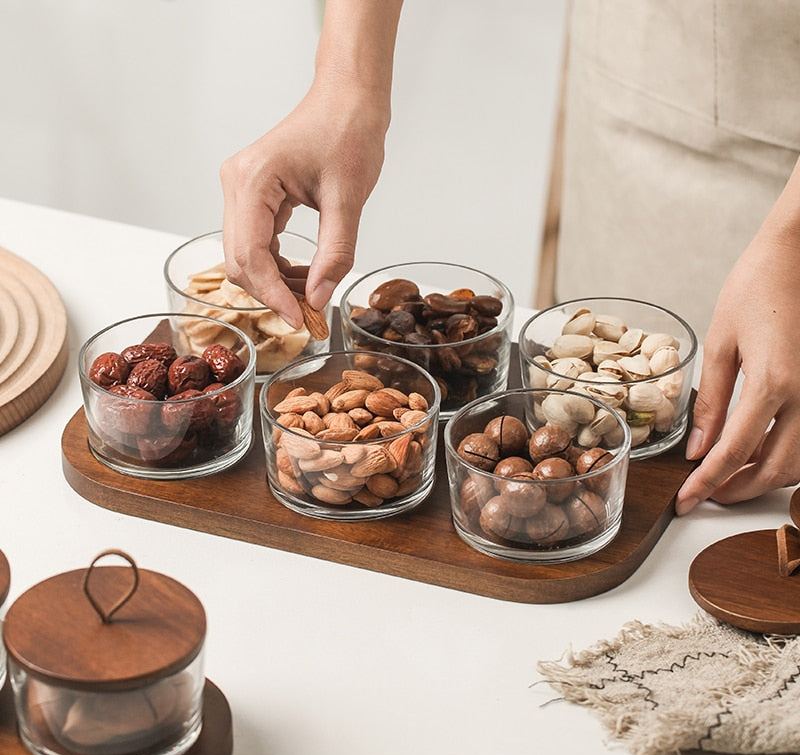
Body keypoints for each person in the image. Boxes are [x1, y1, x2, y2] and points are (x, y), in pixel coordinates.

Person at [219, 0, 800, 515]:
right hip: (657, 56)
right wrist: (345, 85)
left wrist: (791, 242)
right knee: (604, 415)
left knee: (751, 439)